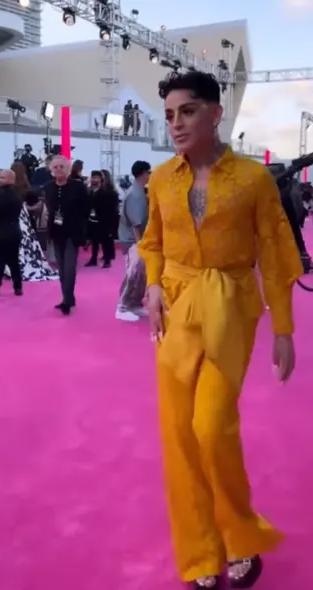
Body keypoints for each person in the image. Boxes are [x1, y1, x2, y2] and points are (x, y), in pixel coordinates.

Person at [139, 71, 300, 590]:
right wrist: (154, 285)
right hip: (176, 309)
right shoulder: (161, 179)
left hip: (231, 305)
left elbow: (275, 253)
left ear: (215, 113)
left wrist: (283, 329)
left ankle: (238, 537)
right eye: (170, 115)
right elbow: (151, 241)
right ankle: (201, 552)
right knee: (179, 436)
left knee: (211, 427)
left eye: (187, 111)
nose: (176, 124)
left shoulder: (252, 179)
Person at [43, 155, 89, 315]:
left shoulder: (78, 187)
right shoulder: (47, 187)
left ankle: (67, 301)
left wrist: (84, 232)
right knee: (61, 268)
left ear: (68, 169)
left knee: (69, 268)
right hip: (56, 233)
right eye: (55, 167)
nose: (58, 170)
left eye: (61, 167)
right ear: (51, 170)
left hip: (73, 233)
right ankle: (68, 297)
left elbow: (85, 210)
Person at [115, 160, 150, 321]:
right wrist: (140, 244)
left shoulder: (139, 191)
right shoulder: (136, 194)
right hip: (133, 240)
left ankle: (134, 304)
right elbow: (137, 223)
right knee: (133, 274)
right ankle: (123, 306)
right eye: (149, 172)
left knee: (140, 275)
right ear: (143, 173)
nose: (151, 175)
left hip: (136, 239)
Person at [0, 168, 24, 296]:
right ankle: (18, 288)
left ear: (10, 179)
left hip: (0, 233)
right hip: (15, 232)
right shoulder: (17, 195)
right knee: (14, 261)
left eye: (2, 177)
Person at [85, 170, 119, 268]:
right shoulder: (90, 191)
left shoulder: (106, 193)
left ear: (101, 179)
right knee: (94, 241)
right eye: (92, 177)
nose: (93, 180)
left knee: (105, 241)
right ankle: (93, 259)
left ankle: (107, 260)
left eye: (96, 177)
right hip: (92, 220)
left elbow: (110, 209)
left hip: (103, 221)